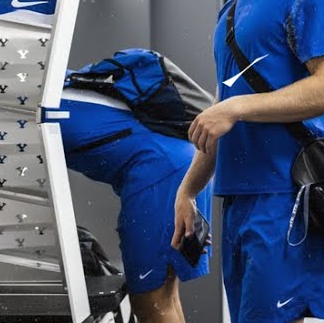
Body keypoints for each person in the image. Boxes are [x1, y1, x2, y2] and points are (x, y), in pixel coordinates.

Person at [172, 0, 324, 323]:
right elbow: (222, 119)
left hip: (286, 197)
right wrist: (188, 191)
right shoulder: (232, 10)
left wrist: (235, 107)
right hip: (237, 198)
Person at [57, 85, 212, 323]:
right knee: (165, 298)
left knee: (151, 304)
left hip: (162, 174)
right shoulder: (69, 88)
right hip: (186, 164)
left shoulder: (36, 107)